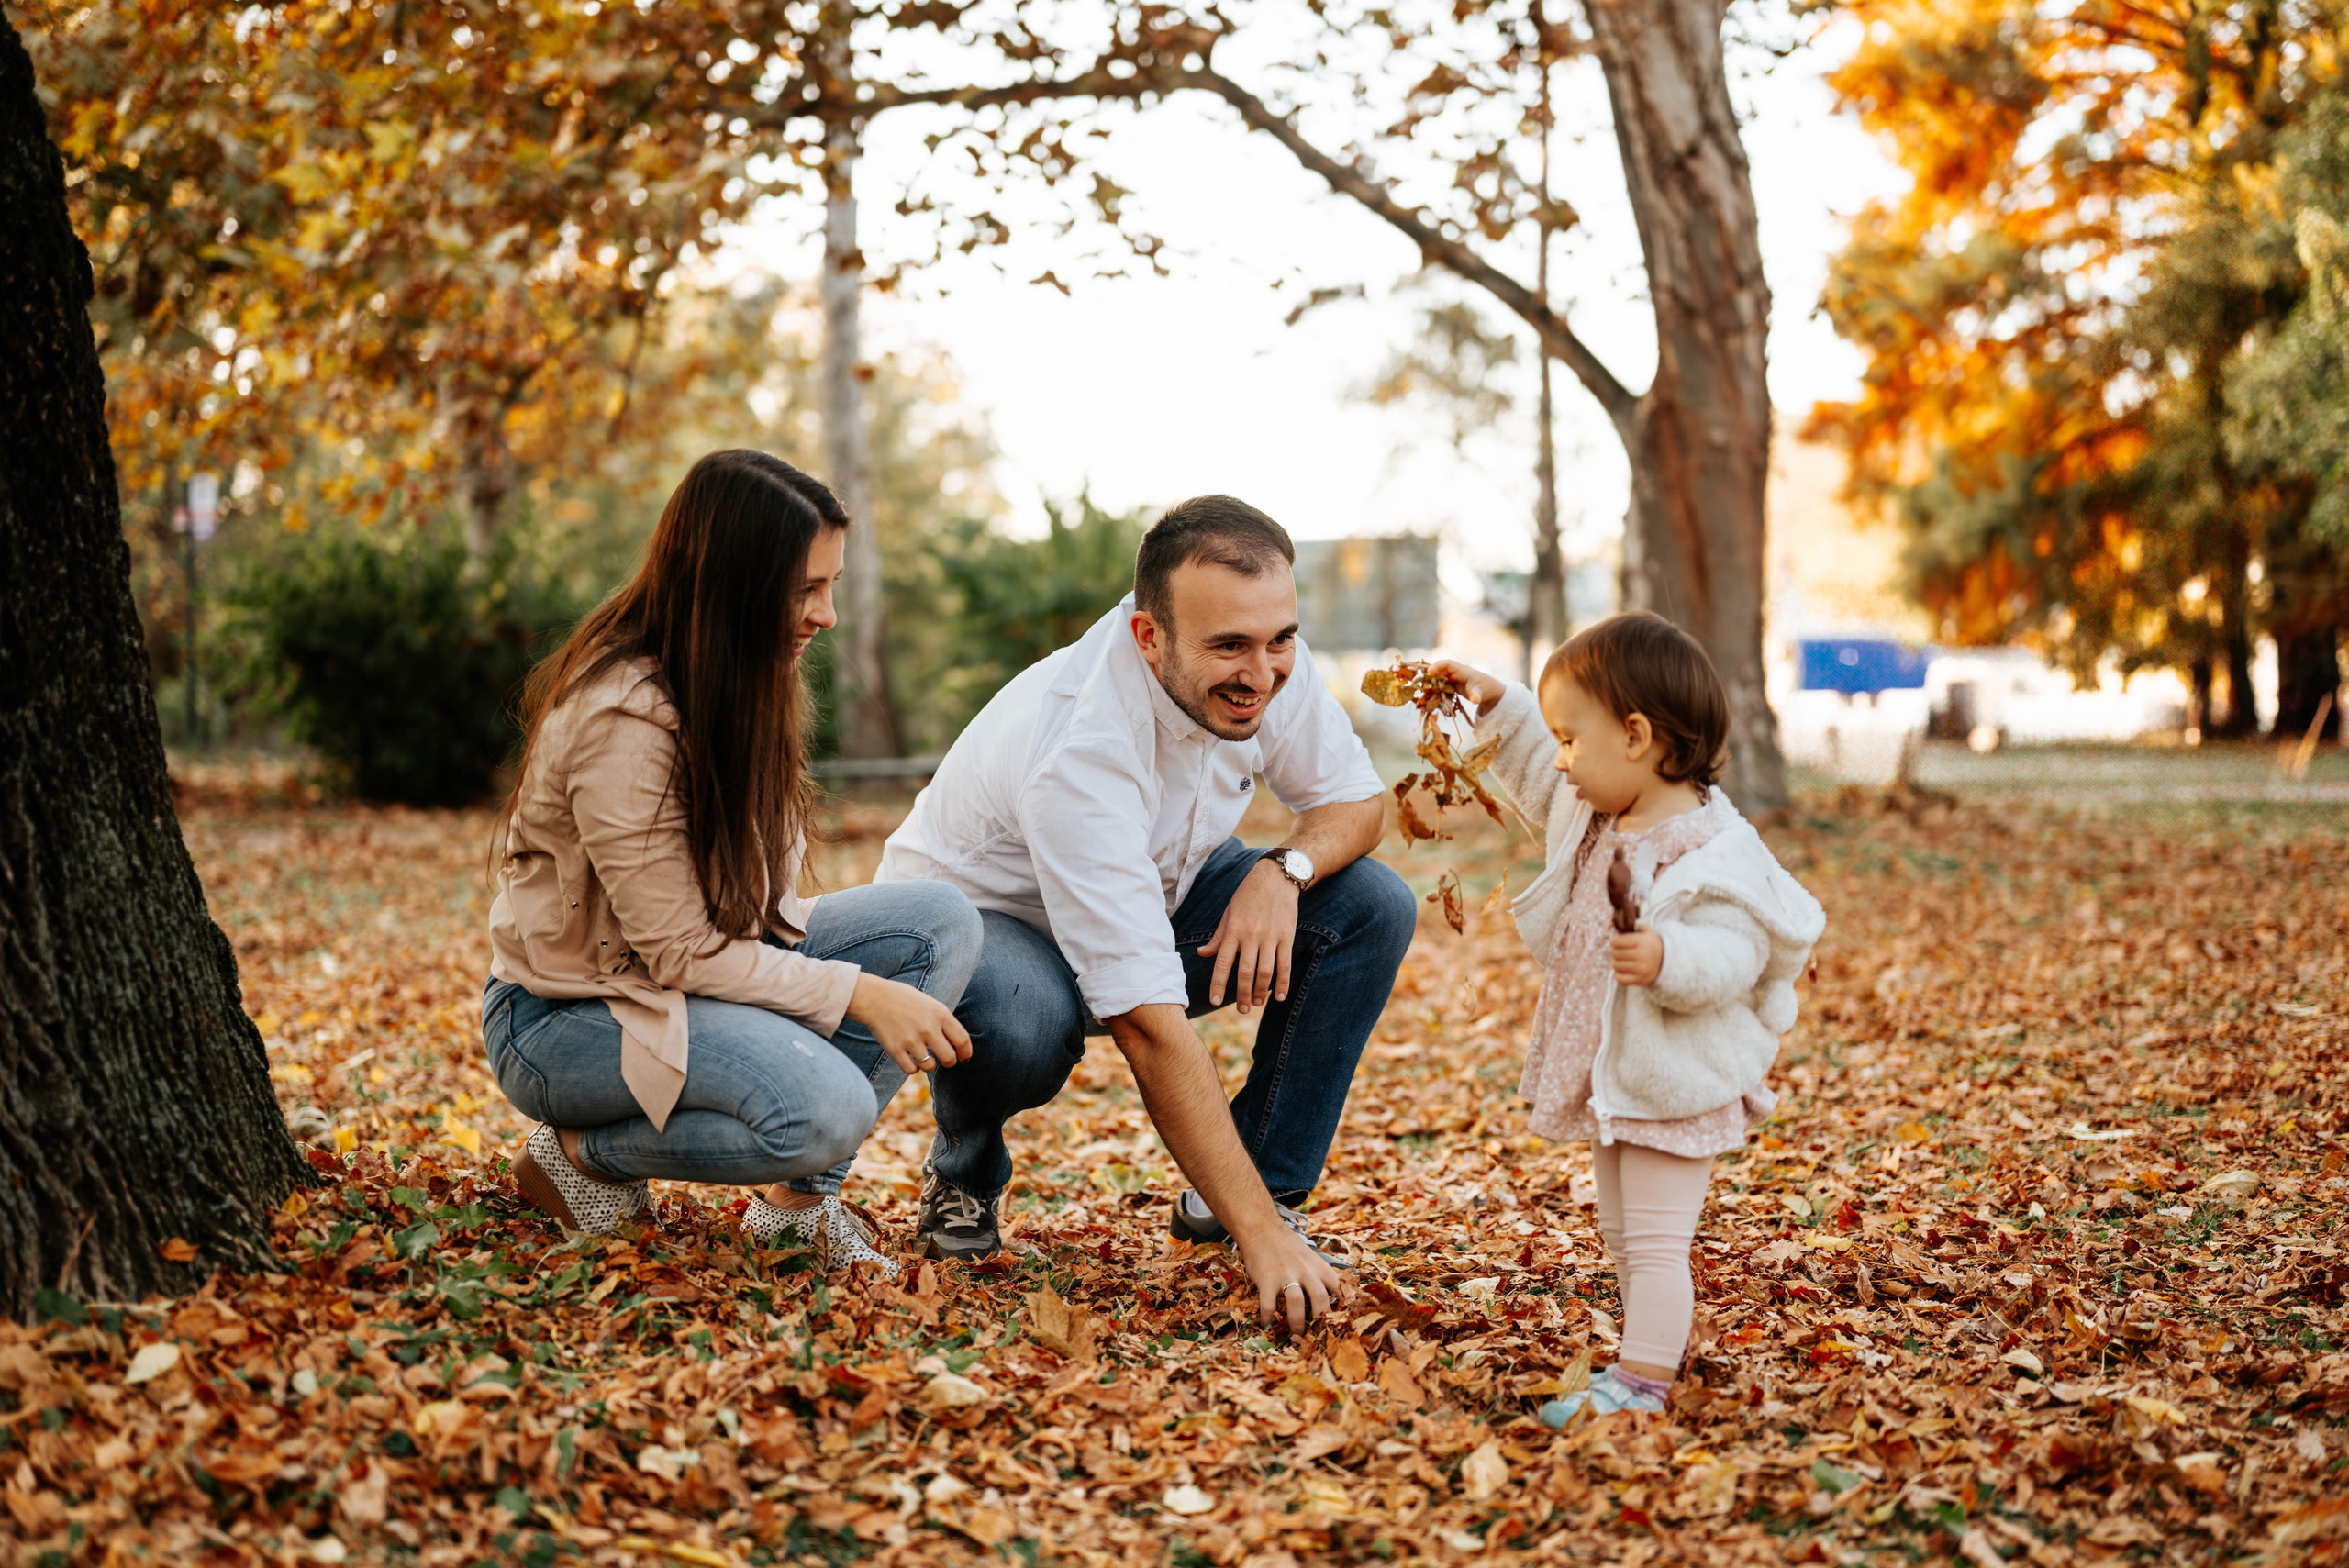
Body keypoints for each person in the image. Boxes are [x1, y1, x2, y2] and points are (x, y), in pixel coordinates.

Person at [876, 495, 1417, 1329]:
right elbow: (1147, 1024)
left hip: (1164, 885)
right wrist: (1266, 1245)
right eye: (1230, 646)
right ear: (1148, 637)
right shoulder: (1081, 747)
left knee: (1370, 903)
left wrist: (1284, 870)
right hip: (990, 931)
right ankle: (965, 1169)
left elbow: (1354, 801)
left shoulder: (1268, 656)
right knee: (1025, 1024)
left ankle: (1241, 1195)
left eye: (1281, 639)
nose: (1262, 672)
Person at [481, 450, 983, 1273]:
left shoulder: (744, 682)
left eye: (830, 584)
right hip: (567, 1017)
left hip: (681, 983)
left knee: (941, 921)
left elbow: (758, 910)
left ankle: (793, 1214)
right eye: (804, 589)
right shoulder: (622, 718)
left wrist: (824, 991)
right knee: (826, 1111)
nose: (825, 614)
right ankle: (579, 1154)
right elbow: (679, 949)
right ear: (729, 585)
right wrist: (855, 993)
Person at [1430, 613, 1824, 1418]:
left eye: (1574, 739)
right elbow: (1543, 772)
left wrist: (1668, 959)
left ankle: (1642, 1384)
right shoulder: (1603, 811)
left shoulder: (1713, 846)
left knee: (1654, 1242)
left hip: (1673, 1076)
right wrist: (1498, 703)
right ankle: (1644, 1355)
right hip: (1623, 1075)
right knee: (1622, 1231)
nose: (1563, 759)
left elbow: (1734, 950)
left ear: (1637, 735)